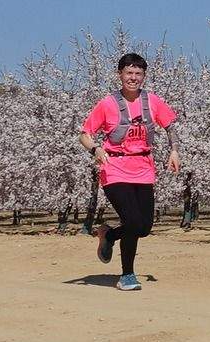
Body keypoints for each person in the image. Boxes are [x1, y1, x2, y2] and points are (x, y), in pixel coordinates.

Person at [76, 53, 180, 290]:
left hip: (143, 169)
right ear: (120, 75)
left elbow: (170, 126)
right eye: (128, 73)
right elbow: (85, 134)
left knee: (143, 227)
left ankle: (109, 236)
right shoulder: (107, 104)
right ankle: (127, 275)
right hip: (115, 170)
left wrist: (174, 151)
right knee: (132, 221)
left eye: (138, 74)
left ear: (143, 76)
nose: (133, 78)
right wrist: (96, 149)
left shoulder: (152, 101)